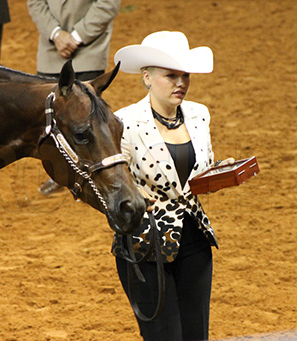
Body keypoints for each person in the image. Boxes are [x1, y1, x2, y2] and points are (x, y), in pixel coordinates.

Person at [111, 31, 234, 340]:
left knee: (196, 335)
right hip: (143, 247)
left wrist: (219, 172)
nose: (181, 83)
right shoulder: (123, 122)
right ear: (147, 77)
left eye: (184, 75)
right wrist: (129, 198)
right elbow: (106, 183)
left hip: (195, 240)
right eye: (171, 75)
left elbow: (196, 173)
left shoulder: (199, 114)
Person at [27, 0, 121, 195]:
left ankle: (95, 174)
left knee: (88, 122)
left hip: (88, 47)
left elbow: (108, 4)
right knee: (51, 120)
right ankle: (60, 173)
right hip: (51, 50)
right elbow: (35, 3)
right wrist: (56, 34)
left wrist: (76, 36)